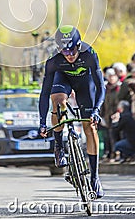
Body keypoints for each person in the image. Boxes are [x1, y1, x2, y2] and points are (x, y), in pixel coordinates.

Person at [38, 25, 106, 198]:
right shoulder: (54, 61)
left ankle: (94, 177)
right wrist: (42, 122)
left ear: (78, 45)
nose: (68, 55)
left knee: (90, 127)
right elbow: (45, 93)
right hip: (64, 80)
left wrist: (96, 110)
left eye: (72, 51)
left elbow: (100, 86)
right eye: (64, 52)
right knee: (58, 99)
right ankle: (59, 146)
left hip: (86, 85)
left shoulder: (89, 54)